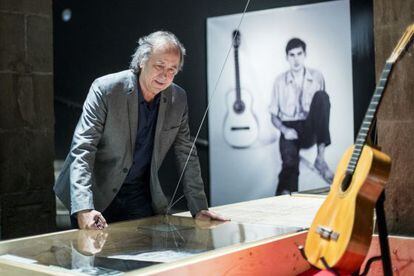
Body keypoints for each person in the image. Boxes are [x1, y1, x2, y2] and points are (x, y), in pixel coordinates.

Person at [54, 31, 228, 229]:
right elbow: (83, 148)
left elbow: (186, 153)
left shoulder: (178, 98)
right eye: (159, 66)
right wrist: (83, 208)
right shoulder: (106, 89)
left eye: (172, 69)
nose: (165, 75)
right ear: (142, 61)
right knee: (91, 257)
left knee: (144, 256)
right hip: (95, 191)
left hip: (138, 193)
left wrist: (199, 208)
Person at [269, 38, 334, 195]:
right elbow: (273, 116)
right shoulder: (279, 81)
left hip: (309, 127)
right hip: (289, 128)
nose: (296, 59)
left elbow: (322, 110)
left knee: (322, 97)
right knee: (290, 165)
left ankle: (320, 159)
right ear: (287, 57)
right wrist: (285, 130)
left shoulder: (317, 76)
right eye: (292, 55)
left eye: (299, 54)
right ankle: (284, 204)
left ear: (305, 55)